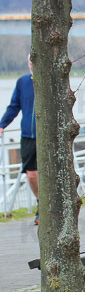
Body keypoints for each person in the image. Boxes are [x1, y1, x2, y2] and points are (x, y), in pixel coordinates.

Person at [0, 55, 37, 225]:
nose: (31, 65)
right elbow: (14, 107)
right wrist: (2, 125)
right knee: (31, 175)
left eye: (34, 61)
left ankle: (49, 208)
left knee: (48, 174)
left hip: (49, 137)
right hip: (28, 136)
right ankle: (41, 203)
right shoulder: (23, 82)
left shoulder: (52, 82)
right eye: (30, 61)